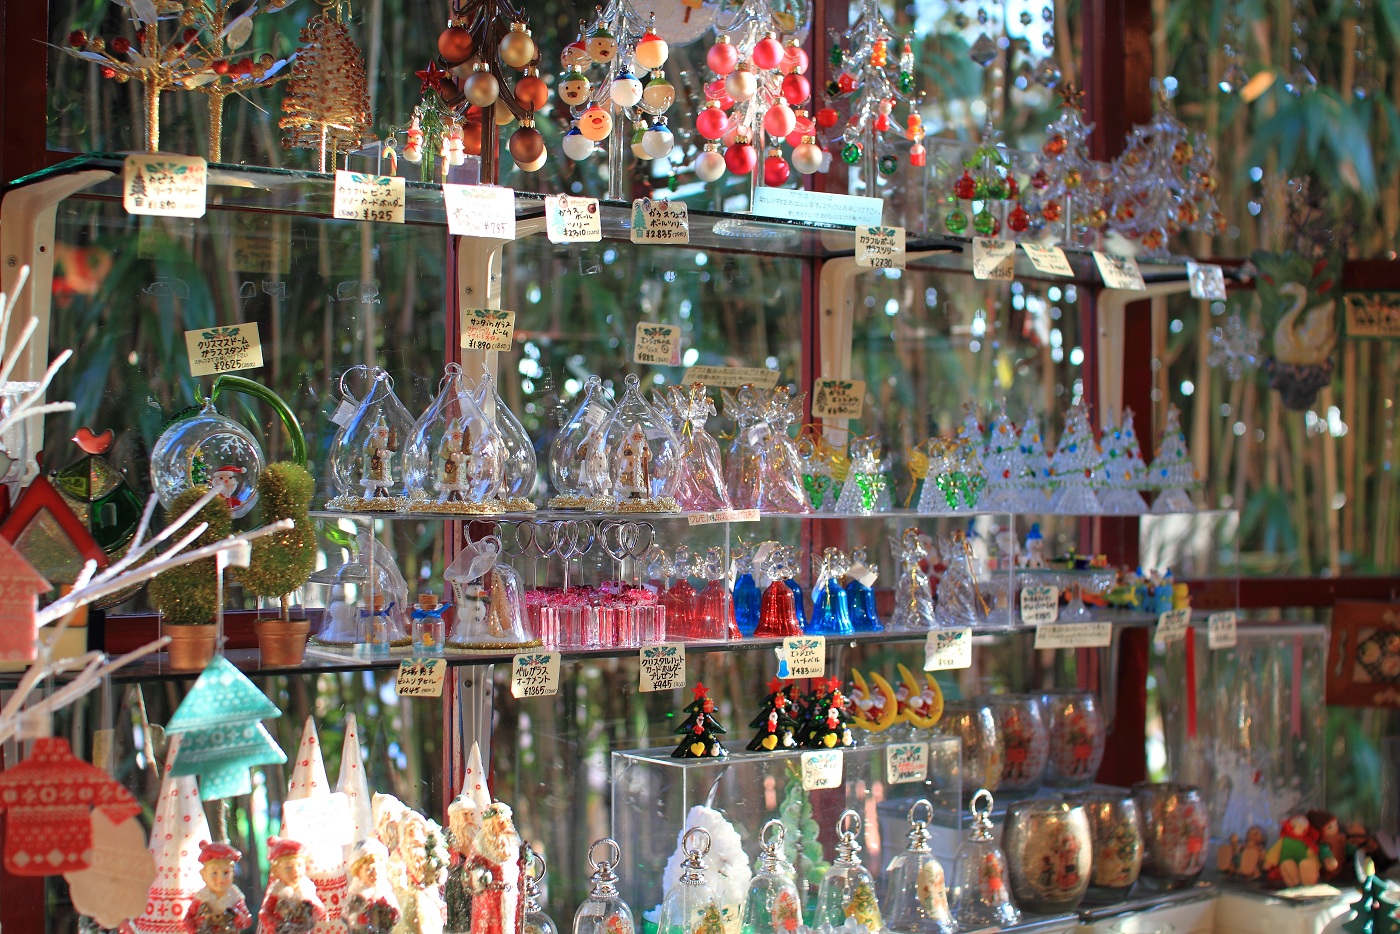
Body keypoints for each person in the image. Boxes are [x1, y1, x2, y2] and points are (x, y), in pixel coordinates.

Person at [258, 837, 326, 934]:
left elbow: (320, 909)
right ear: (276, 871)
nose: (295, 871)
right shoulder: (277, 890)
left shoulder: (306, 888)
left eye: (299, 865)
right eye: (288, 867)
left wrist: (314, 907)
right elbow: (265, 912)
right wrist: (274, 924)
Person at [185, 841, 252, 934]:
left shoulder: (235, 896)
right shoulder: (202, 897)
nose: (221, 879)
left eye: (226, 872)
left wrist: (237, 916)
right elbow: (188, 919)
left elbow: (247, 921)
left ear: (233, 873)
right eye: (214, 873)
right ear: (203, 875)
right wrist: (195, 930)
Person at [344, 839, 401, 934]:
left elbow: (397, 915)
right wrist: (357, 918)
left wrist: (392, 913)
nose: (376, 874)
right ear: (358, 872)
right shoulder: (357, 896)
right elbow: (347, 914)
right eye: (369, 870)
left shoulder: (385, 894)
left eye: (379, 869)